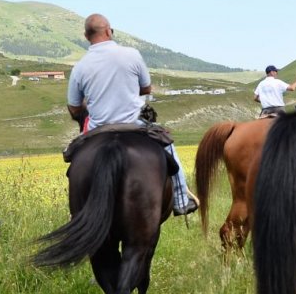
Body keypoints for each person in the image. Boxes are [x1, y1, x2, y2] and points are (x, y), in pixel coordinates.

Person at [67, 13, 198, 216]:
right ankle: (181, 200)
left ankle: (77, 213)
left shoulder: (80, 67)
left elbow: (74, 108)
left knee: (75, 158)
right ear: (109, 31)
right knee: (169, 146)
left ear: (86, 36)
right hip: (133, 123)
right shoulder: (131, 54)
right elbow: (146, 88)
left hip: (97, 128)